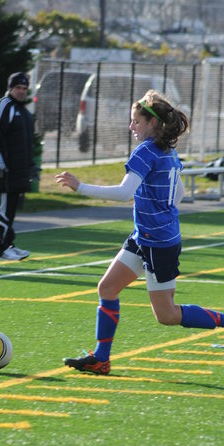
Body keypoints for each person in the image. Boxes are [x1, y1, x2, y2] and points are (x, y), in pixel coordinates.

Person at [55, 89, 223, 375]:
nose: (131, 126)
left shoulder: (146, 151)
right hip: (145, 236)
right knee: (107, 288)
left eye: (136, 121)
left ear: (152, 123)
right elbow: (179, 193)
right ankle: (101, 359)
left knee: (167, 315)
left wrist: (80, 187)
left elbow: (125, 193)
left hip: (157, 242)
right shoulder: (167, 151)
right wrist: (158, 211)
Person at [0, 71, 36, 261]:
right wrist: (0, 167)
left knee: (11, 210)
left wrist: (30, 167)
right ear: (10, 88)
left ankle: (8, 244)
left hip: (17, 172)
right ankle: (1, 249)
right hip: (3, 172)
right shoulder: (3, 106)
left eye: (24, 88)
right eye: (18, 88)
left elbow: (26, 144)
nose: (21, 91)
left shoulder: (23, 111)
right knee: (4, 210)